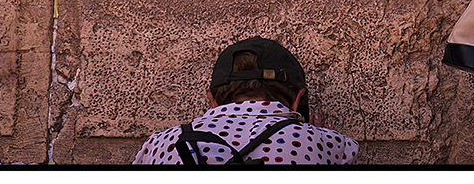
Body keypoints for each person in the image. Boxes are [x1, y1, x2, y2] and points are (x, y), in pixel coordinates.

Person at [133, 36, 358, 164]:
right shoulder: (330, 146)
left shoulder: (161, 145)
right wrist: (317, 141)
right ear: (298, 99)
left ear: (212, 100)